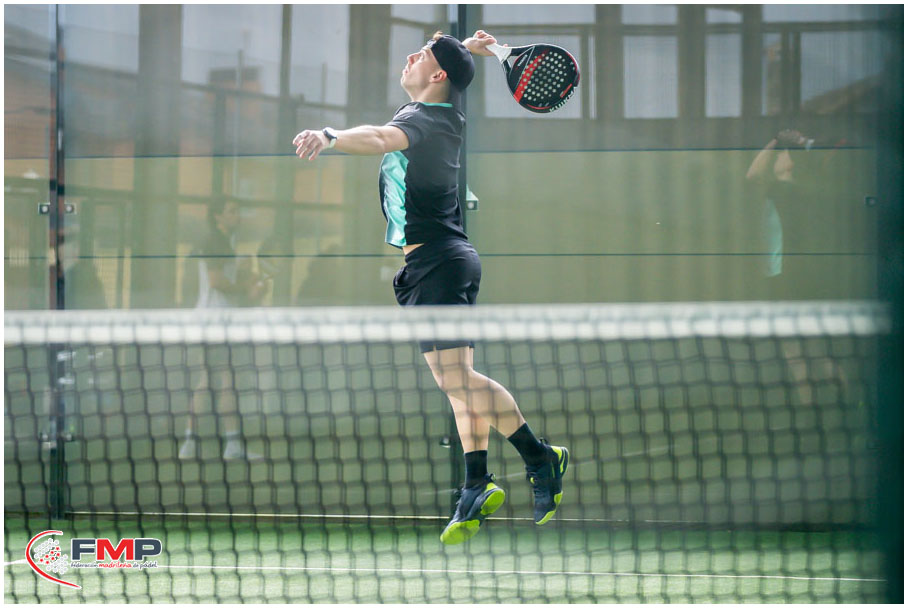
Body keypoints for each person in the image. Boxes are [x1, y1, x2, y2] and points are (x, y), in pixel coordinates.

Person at [293, 30, 568, 545]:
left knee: (457, 381)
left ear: (438, 74)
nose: (409, 56)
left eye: (420, 54)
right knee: (459, 381)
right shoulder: (442, 111)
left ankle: (539, 457)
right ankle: (476, 481)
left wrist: (329, 135)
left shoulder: (425, 119)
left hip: (439, 263)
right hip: (438, 262)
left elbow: (379, 138)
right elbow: (444, 69)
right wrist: (465, 47)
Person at [179, 199, 268, 461]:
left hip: (214, 320)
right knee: (226, 380)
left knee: (207, 380)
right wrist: (246, 286)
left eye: (238, 211)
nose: (237, 216)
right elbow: (216, 282)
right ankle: (231, 445)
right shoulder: (215, 242)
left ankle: (190, 443)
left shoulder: (222, 243)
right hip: (215, 322)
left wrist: (246, 276)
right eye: (231, 211)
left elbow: (224, 280)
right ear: (218, 216)